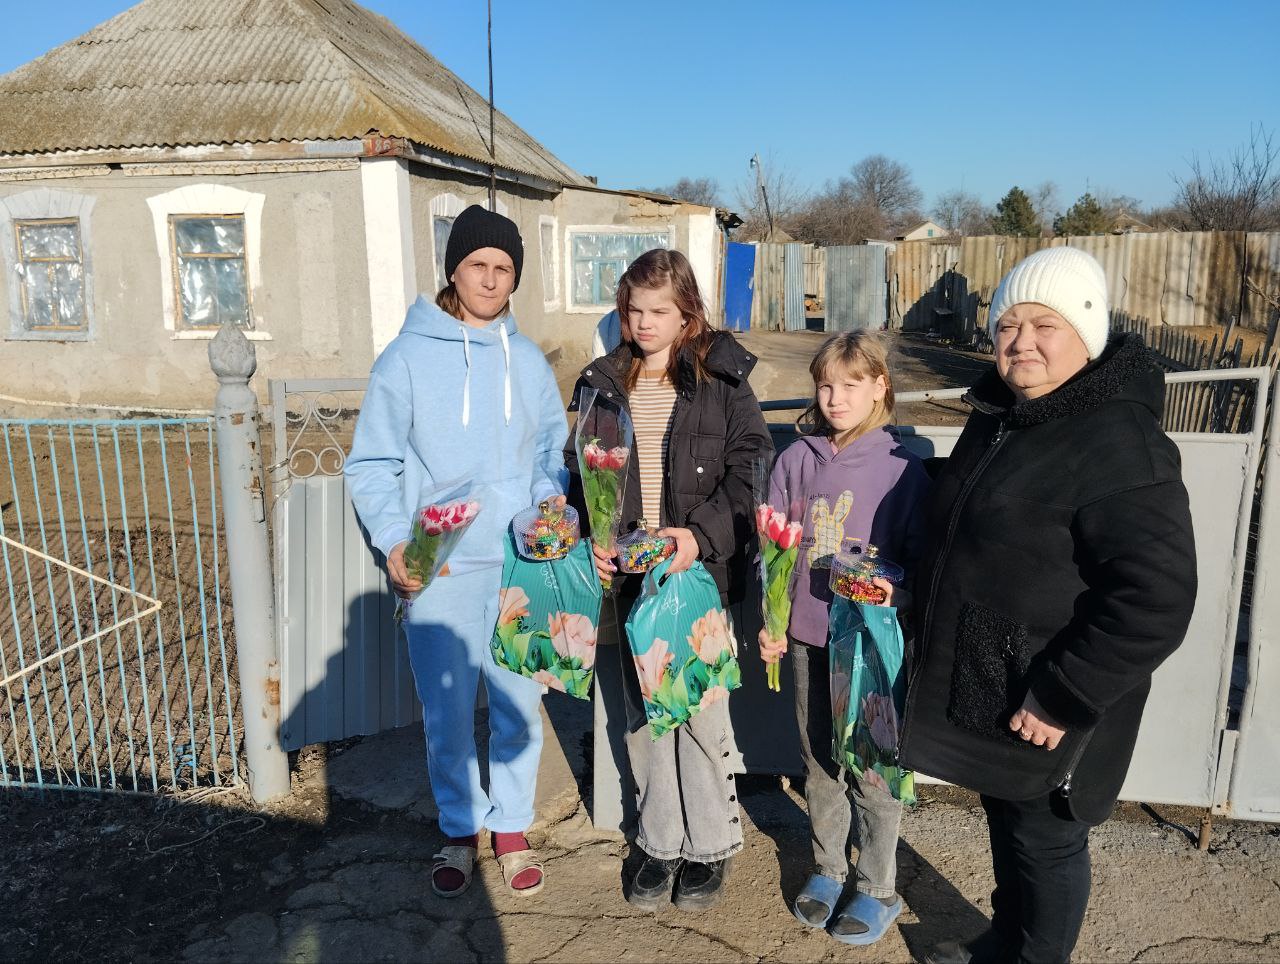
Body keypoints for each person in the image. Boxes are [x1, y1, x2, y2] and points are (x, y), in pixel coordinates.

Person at [898, 247, 1197, 964]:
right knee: (1008, 818)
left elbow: (1156, 596)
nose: (1021, 342)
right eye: (1008, 325)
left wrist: (1063, 696)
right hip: (996, 673)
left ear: (1087, 336)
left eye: (1045, 326)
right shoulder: (1007, 414)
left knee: (1047, 839)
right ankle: (1005, 942)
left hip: (1050, 694)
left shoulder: (1123, 447)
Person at [345, 205, 569, 899]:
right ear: (454, 268)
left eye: (504, 269)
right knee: (446, 714)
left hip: (518, 566)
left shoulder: (527, 361)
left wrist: (549, 504)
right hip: (440, 568)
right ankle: (458, 827)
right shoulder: (407, 357)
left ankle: (510, 828)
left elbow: (546, 459)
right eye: (479, 264)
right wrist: (392, 542)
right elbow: (370, 463)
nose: (492, 279)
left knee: (516, 708)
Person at [566, 248, 773, 912]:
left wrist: (698, 536)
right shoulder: (604, 382)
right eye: (634, 308)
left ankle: (709, 846)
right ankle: (658, 842)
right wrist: (588, 538)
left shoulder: (723, 381)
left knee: (699, 719)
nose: (645, 322)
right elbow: (584, 477)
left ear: (688, 311)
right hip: (629, 580)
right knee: (644, 720)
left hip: (696, 579)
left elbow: (753, 477)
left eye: (661, 310)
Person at [757, 331, 931, 945]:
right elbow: (775, 551)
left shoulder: (904, 468)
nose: (834, 398)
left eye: (851, 385)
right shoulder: (796, 459)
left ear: (880, 386)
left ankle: (877, 885)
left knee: (874, 768)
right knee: (821, 762)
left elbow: (920, 562)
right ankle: (829, 868)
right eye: (825, 385)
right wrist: (772, 622)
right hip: (807, 637)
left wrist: (894, 590)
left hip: (871, 649)